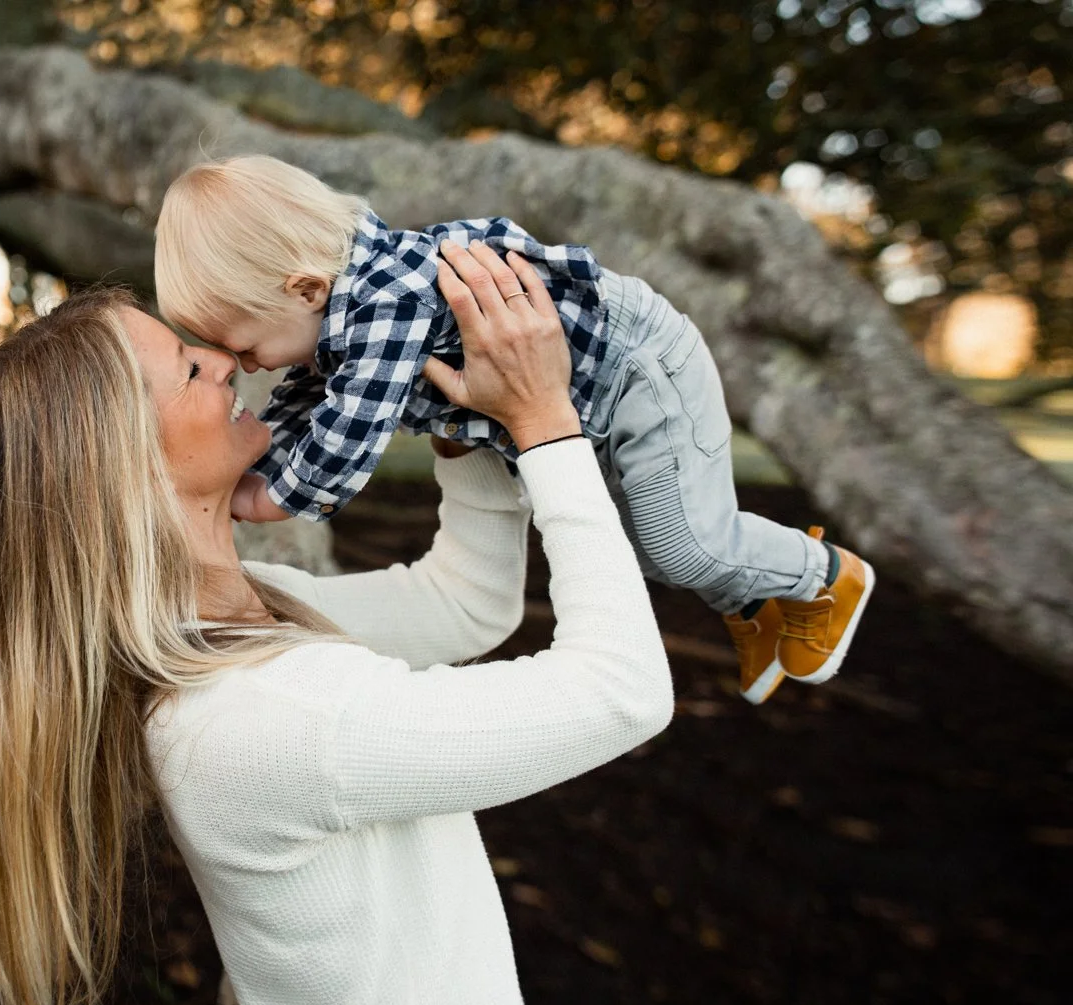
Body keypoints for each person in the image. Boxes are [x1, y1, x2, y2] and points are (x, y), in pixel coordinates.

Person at [0, 241, 674, 1005]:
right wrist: (544, 422)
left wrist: (456, 418)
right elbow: (624, 689)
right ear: (128, 468)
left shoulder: (235, 619)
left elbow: (464, 604)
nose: (223, 360)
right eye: (187, 368)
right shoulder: (267, 713)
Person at [153, 154, 875, 705]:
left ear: (305, 289)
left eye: (246, 347)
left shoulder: (387, 299)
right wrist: (249, 459)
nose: (245, 366)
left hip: (637, 371)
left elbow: (345, 438)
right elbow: (303, 402)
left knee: (684, 545)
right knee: (655, 547)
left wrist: (267, 497)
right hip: (595, 398)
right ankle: (752, 599)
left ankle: (823, 575)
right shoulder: (341, 317)